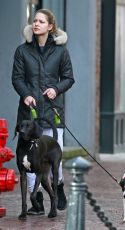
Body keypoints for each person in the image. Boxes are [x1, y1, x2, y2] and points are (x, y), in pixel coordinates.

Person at [12, 8, 75, 215]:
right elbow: (17, 78)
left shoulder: (61, 51)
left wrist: (56, 89)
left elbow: (68, 78)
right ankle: (36, 199)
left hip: (52, 113)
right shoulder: (22, 51)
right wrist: (25, 94)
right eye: (34, 21)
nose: (36, 24)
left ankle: (58, 185)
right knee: (29, 159)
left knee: (53, 157)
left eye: (41, 21)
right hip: (28, 114)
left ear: (50, 26)